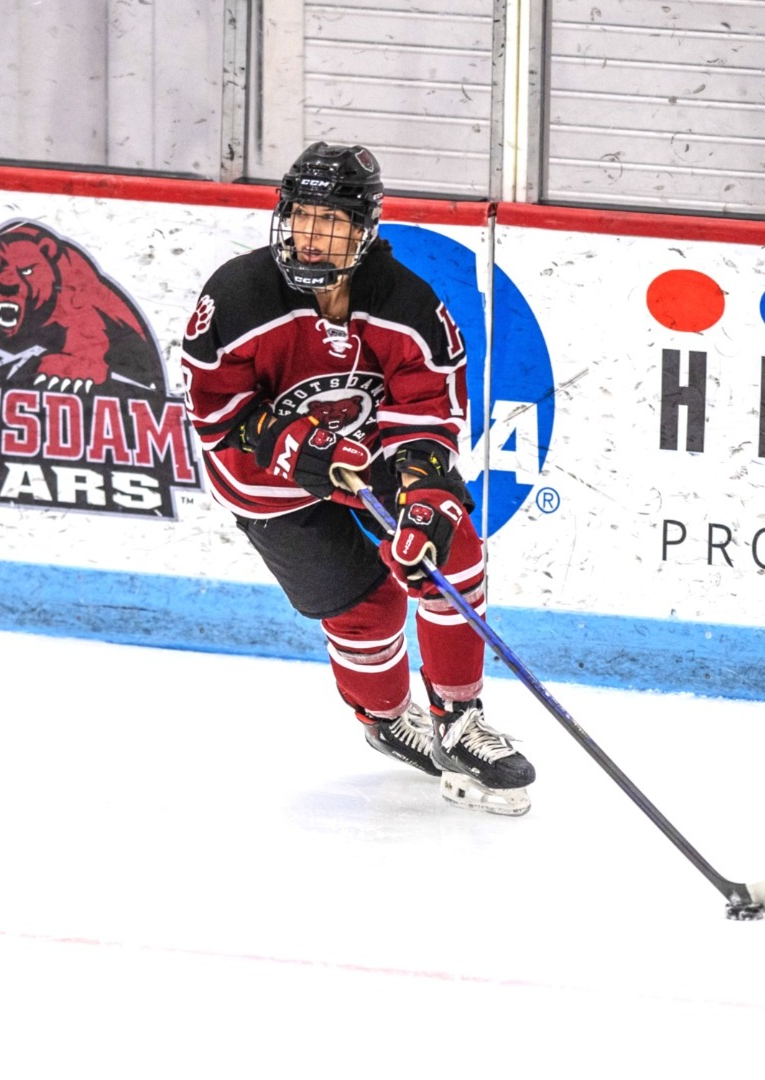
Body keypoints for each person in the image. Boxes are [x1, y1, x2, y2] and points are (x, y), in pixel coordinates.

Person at [177, 142, 535, 815]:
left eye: (331, 221)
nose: (310, 237)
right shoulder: (237, 296)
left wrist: (425, 496)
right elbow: (217, 414)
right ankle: (386, 718)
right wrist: (298, 447)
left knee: (446, 548)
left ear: (364, 230)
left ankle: (459, 720)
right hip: (271, 488)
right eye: (301, 217)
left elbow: (426, 415)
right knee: (369, 610)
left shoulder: (407, 303)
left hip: (371, 461)